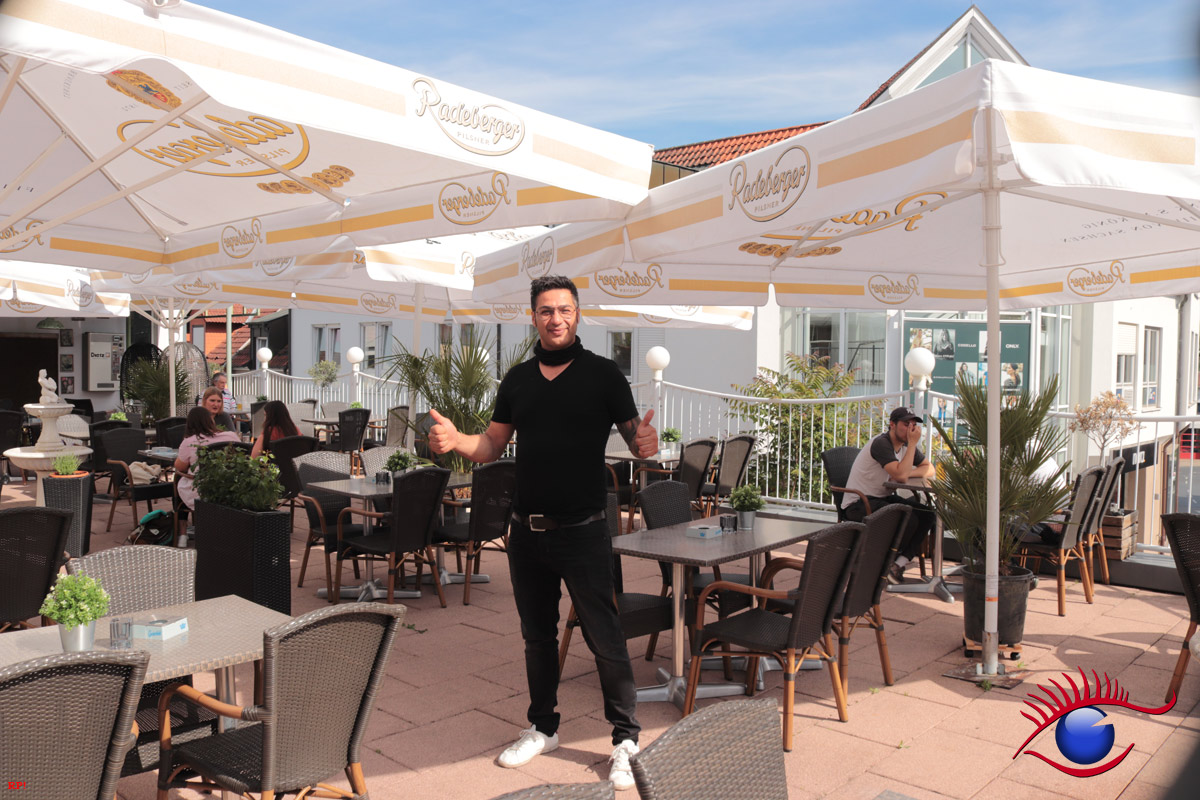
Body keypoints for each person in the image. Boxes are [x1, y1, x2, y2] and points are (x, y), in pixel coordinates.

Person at [426, 275, 657, 791]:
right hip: (526, 534)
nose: (556, 319)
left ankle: (625, 740)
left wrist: (646, 442)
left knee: (605, 637)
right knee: (537, 637)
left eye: (565, 309)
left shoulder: (604, 375)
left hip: (584, 532)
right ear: (533, 317)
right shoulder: (517, 380)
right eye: (547, 310)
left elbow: (636, 440)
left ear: (578, 314)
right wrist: (456, 440)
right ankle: (543, 727)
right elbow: (491, 446)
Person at [841, 406, 937, 582]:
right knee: (908, 517)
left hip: (882, 498)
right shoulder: (882, 443)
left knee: (927, 514)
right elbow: (900, 476)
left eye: (913, 425)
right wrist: (911, 448)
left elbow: (929, 468)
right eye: (906, 424)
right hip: (860, 503)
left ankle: (898, 564)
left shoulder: (905, 446)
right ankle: (881, 564)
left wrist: (908, 471)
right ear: (892, 424)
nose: (910, 429)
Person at [173, 406, 241, 510]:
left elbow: (180, 467)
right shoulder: (231, 436)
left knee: (178, 477)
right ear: (211, 420)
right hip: (231, 487)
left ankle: (180, 518)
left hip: (204, 491)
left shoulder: (189, 442)